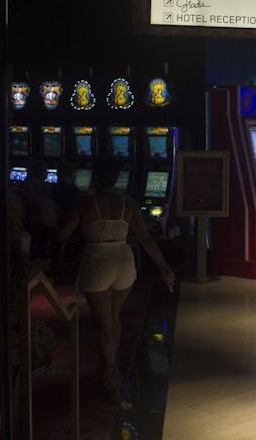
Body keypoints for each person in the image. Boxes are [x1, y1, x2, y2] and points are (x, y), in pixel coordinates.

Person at [54, 155, 175, 403]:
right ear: (118, 177)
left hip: (97, 261)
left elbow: (62, 236)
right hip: (123, 261)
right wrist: (164, 266)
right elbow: (145, 239)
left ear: (95, 177)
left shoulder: (85, 204)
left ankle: (110, 375)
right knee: (114, 315)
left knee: (103, 322)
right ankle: (114, 363)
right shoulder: (128, 203)